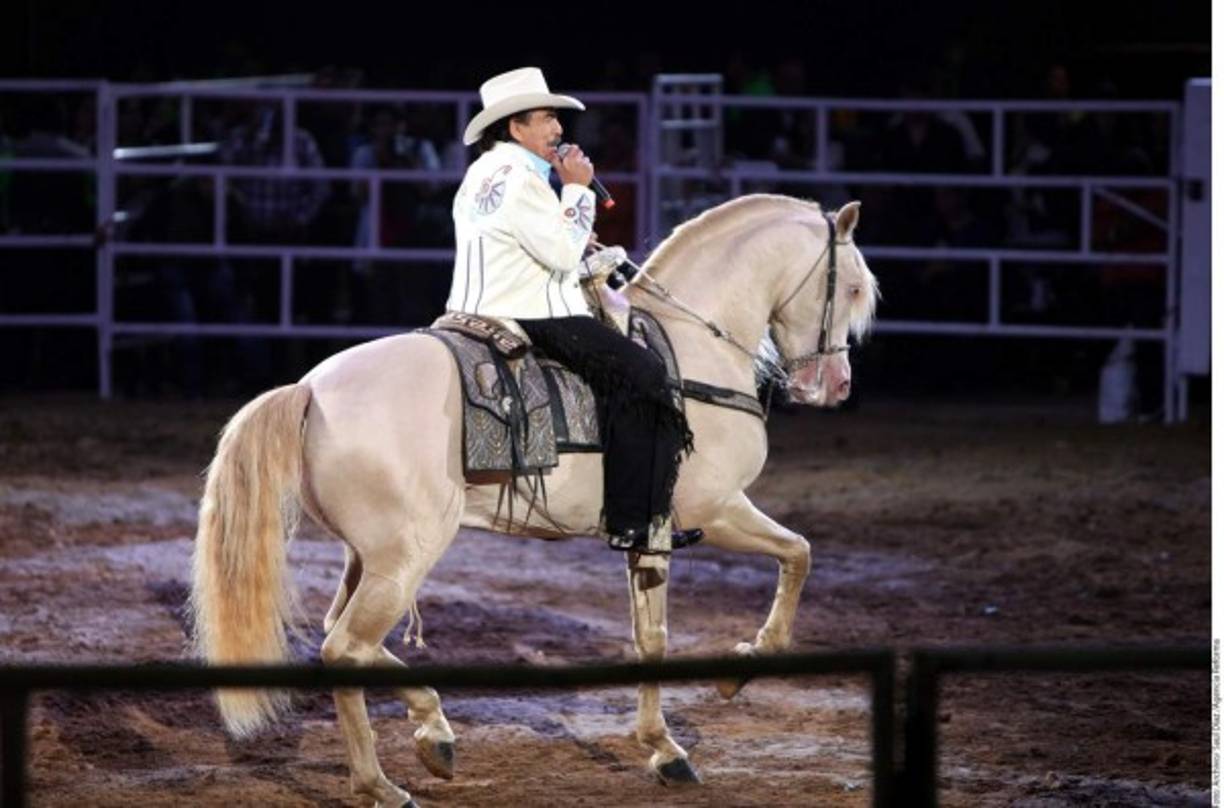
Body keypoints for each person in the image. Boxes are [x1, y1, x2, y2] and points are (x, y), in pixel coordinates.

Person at [447, 67, 701, 554]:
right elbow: (561, 257)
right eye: (546, 119)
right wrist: (579, 188)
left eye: (556, 119)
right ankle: (635, 520)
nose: (558, 130)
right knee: (643, 371)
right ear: (515, 127)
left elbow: (533, 244)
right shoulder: (524, 179)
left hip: (479, 305)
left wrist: (575, 228)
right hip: (531, 313)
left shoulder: (482, 174)